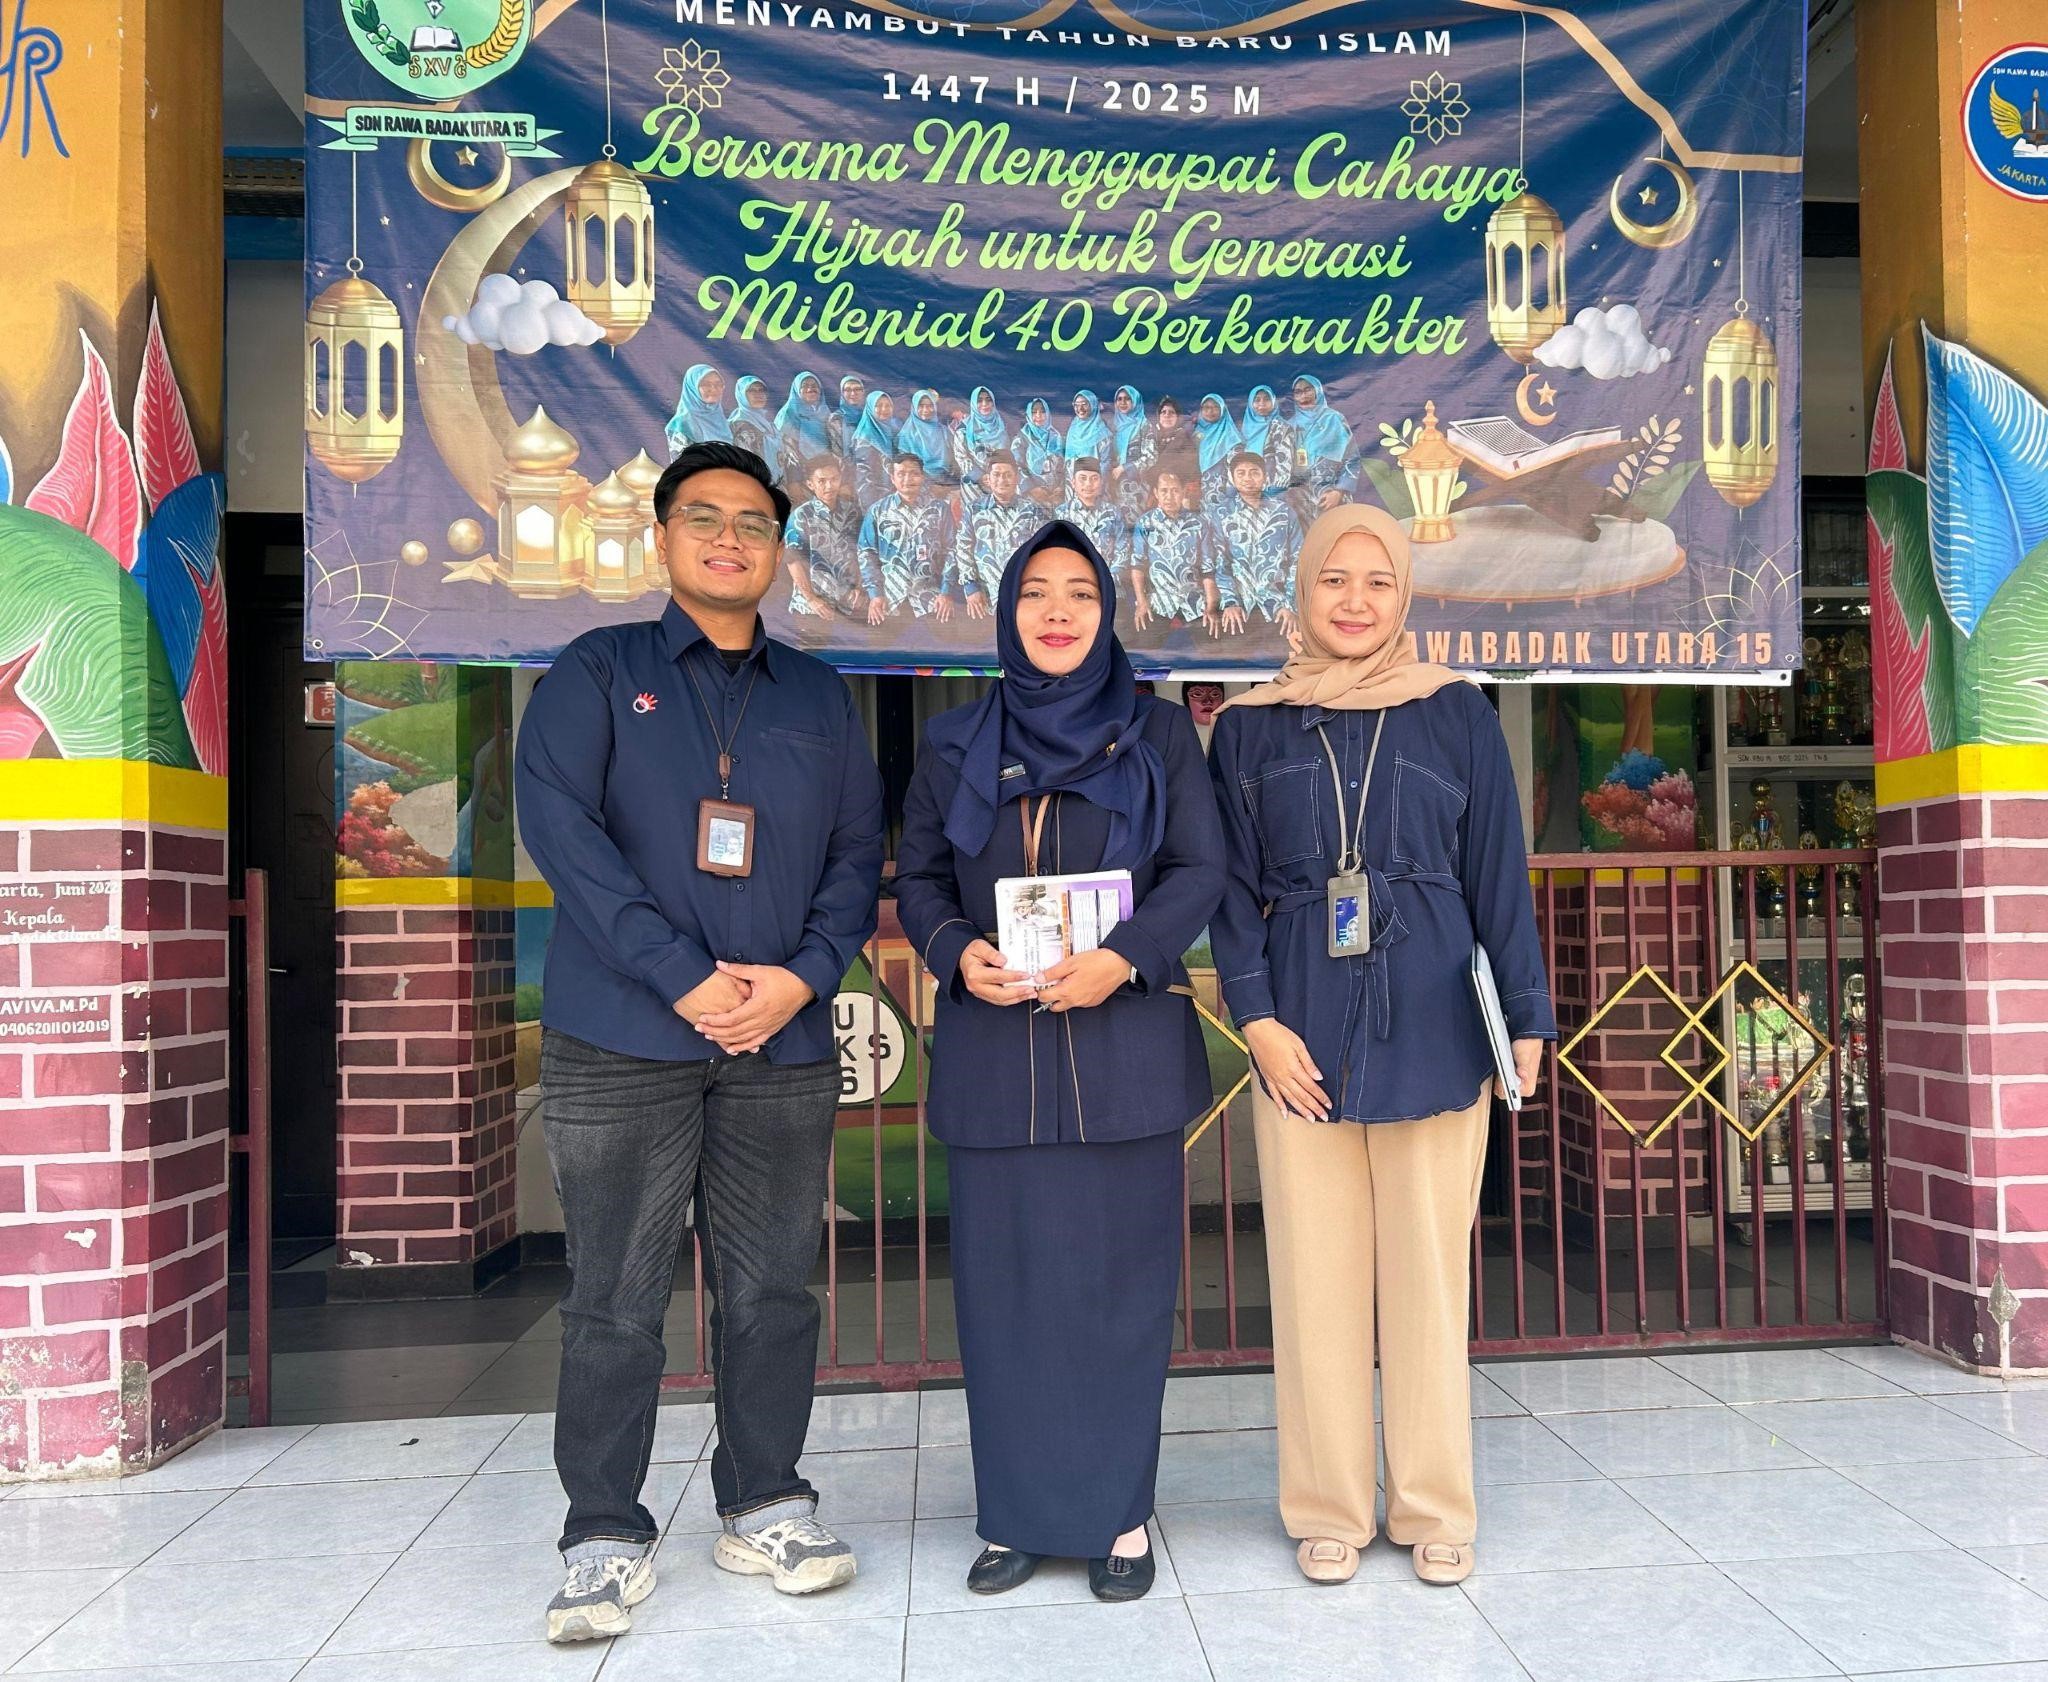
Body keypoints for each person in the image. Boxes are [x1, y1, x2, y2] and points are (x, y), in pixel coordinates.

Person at [515, 440, 886, 1643]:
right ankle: (602, 1532)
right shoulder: (595, 671)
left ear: (778, 549)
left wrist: (802, 976)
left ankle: (765, 1500)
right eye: (705, 518)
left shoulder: (818, 697)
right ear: (662, 536)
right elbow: (566, 837)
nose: (730, 538)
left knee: (772, 1285)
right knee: (615, 1293)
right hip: (621, 1034)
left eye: (753, 523)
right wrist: (681, 975)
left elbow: (854, 857)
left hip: (779, 1038)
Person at [1205, 503, 1554, 1590]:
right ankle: (1327, 1506)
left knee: (1426, 1284)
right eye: (1333, 579)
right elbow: (1227, 888)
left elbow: (1497, 870)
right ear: (1302, 588)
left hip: (1436, 1027)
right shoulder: (1250, 727)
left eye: (1377, 582)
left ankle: (1433, 1504)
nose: (1354, 601)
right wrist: (1256, 1019)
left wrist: (1528, 1017)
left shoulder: (1455, 711)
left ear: (1404, 594)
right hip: (1297, 1032)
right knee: (1313, 1285)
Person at [892, 519, 1225, 1603]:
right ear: (1006, 611)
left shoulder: (1158, 732)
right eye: (1035, 591)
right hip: (996, 1057)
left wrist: (1123, 957)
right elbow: (918, 877)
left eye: (1079, 592)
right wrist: (954, 951)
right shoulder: (954, 741)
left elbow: (1200, 869)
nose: (1057, 610)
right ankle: (1018, 1515)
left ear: (1106, 611)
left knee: (1121, 1293)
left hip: (1123, 1055)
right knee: (1007, 1297)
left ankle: (1118, 1513)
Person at [784, 453, 884, 633]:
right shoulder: (800, 516)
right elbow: (793, 561)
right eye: (822, 481)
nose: (829, 486)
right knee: (813, 647)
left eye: (834, 479)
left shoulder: (853, 512)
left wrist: (860, 587)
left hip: (850, 599)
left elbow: (864, 552)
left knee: (874, 639)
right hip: (814, 603)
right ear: (810, 484)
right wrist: (811, 599)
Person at [1209, 451, 1301, 637]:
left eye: (1254, 472)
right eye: (1241, 473)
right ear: (1232, 478)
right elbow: (1220, 563)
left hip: (1278, 605)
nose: (1247, 478)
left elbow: (1298, 560)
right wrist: (1230, 602)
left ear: (1264, 476)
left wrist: (1290, 605)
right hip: (1239, 607)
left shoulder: (1284, 513)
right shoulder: (1221, 514)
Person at [859, 451, 959, 620]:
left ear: (922, 477)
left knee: (946, 631)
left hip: (932, 598)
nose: (908, 479)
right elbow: (866, 553)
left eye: (914, 473)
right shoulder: (877, 511)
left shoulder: (939, 509)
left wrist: (946, 592)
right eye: (901, 474)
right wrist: (875, 595)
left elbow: (952, 550)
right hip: (888, 599)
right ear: (892, 478)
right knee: (879, 635)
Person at [1131, 465, 1218, 635]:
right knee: (1145, 643)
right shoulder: (1145, 523)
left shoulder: (1199, 523)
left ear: (1184, 492)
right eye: (1164, 491)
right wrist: (1141, 602)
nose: (1169, 497)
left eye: (1175, 491)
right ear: (1156, 493)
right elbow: (1137, 566)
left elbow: (1208, 570)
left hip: (1195, 603)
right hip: (1159, 603)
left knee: (1211, 640)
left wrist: (1211, 607)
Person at [952, 450, 1041, 615]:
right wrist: (971, 587)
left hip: (1022, 597)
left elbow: (1040, 554)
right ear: (988, 479)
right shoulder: (974, 509)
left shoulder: (1032, 511)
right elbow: (963, 547)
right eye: (997, 475)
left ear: (1017, 478)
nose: (1002, 480)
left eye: (1008, 475)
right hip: (984, 599)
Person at [1055, 455, 1129, 584]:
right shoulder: (1061, 514)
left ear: (1101, 482)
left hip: (1107, 582)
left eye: (1094, 479)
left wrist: (1107, 579)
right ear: (1073, 483)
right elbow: (1056, 552)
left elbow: (1123, 549)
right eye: (1083, 478)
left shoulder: (1113, 513)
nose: (1088, 484)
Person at [774, 371, 837, 486]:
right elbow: (787, 451)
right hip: (800, 475)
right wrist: (795, 482)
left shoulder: (825, 412)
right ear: (797, 390)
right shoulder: (788, 414)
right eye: (805, 386)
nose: (810, 389)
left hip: (826, 473)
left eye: (814, 385)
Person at [665, 363, 733, 457]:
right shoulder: (683, 423)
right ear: (692, 388)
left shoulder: (720, 420)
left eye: (718, 384)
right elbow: (681, 463)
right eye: (706, 384)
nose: (713, 389)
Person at [1240, 384, 1295, 498]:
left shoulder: (1281, 427)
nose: (1262, 403)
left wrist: (1273, 490)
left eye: (1266, 399)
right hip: (1247, 490)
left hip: (1272, 491)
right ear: (1250, 403)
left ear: (1273, 401)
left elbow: (1285, 460)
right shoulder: (1245, 429)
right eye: (1257, 400)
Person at [849, 390, 901, 508]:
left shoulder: (892, 430)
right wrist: (870, 507)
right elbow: (863, 477)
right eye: (878, 406)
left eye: (888, 405)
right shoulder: (864, 438)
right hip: (873, 498)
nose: (884, 409)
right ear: (870, 408)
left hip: (893, 495)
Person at [1194, 393, 1243, 509]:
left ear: (1223, 409)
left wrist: (1229, 495)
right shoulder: (1195, 434)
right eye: (1206, 407)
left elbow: (1236, 469)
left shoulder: (1232, 438)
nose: (1210, 411)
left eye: (1215, 407)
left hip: (1222, 495)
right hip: (1196, 496)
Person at [1018, 397, 1067, 504]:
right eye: (1034, 412)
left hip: (1056, 496)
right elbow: (1016, 466)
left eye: (1042, 411)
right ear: (1028, 415)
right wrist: (1031, 488)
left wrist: (1061, 487)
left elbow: (1065, 465)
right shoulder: (1022, 438)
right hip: (1030, 497)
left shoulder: (1056, 437)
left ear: (1048, 414)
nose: (1038, 415)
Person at [728, 375, 778, 471]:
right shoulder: (741, 425)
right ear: (741, 394)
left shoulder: (768, 424)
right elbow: (747, 464)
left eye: (761, 390)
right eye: (751, 390)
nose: (758, 394)